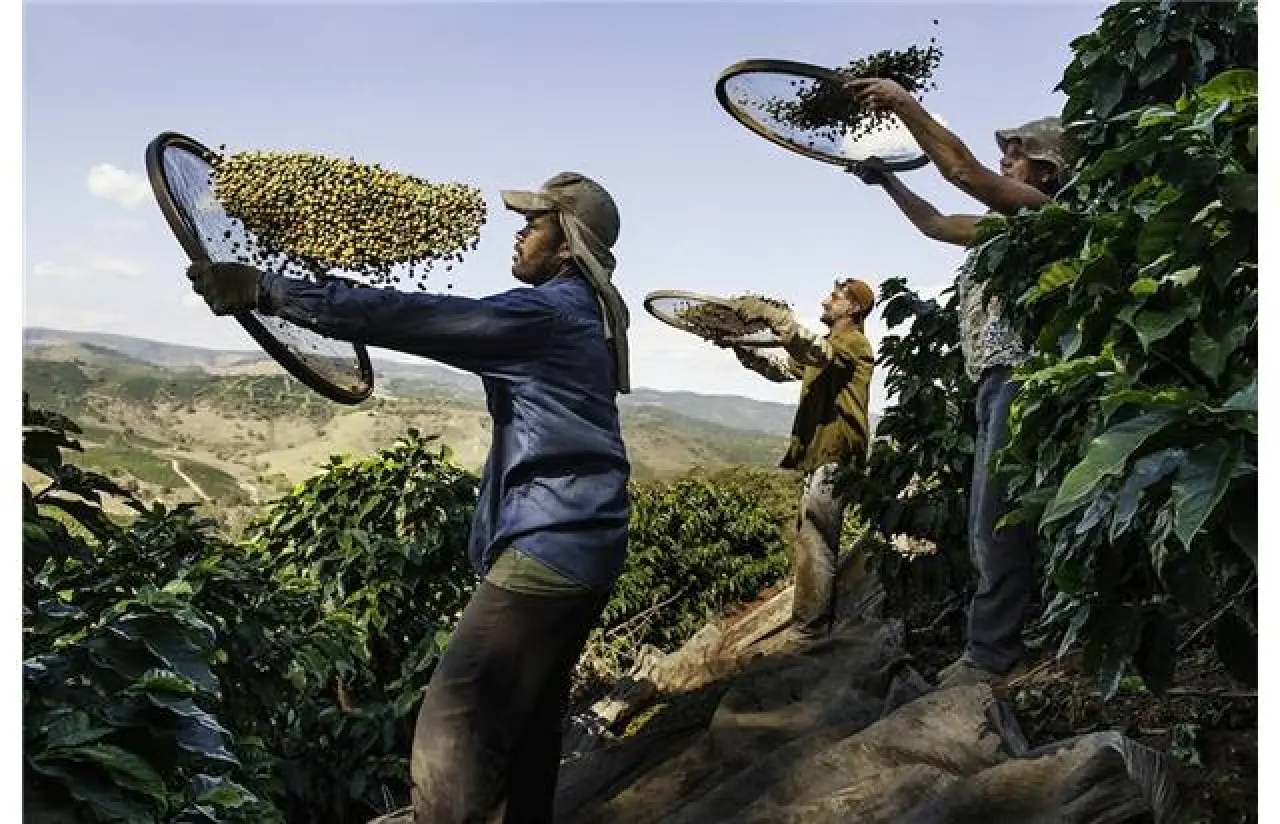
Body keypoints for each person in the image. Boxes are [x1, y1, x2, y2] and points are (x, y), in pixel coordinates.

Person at [187, 172, 632, 824]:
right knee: (528, 728)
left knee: (455, 733)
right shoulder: (583, 312)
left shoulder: (544, 316)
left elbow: (414, 318)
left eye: (533, 224)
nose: (518, 234)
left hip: (551, 548)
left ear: (567, 245)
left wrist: (267, 290)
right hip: (588, 541)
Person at [846, 77, 1074, 688]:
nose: (1004, 161)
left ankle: (991, 654)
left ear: (1048, 171)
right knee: (988, 516)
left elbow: (964, 174)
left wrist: (902, 102)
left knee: (996, 519)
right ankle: (995, 643)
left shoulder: (1047, 216)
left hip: (1023, 378)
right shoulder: (1006, 229)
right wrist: (888, 181)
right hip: (993, 383)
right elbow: (936, 222)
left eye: (1017, 154)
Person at [728, 280, 876, 641]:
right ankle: (811, 622)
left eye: (835, 297)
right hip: (821, 454)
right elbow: (782, 367)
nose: (825, 301)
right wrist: (742, 348)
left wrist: (774, 316)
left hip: (836, 454)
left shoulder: (853, 345)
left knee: (817, 539)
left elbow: (815, 350)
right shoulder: (827, 348)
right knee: (811, 536)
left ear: (854, 308)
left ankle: (810, 629)